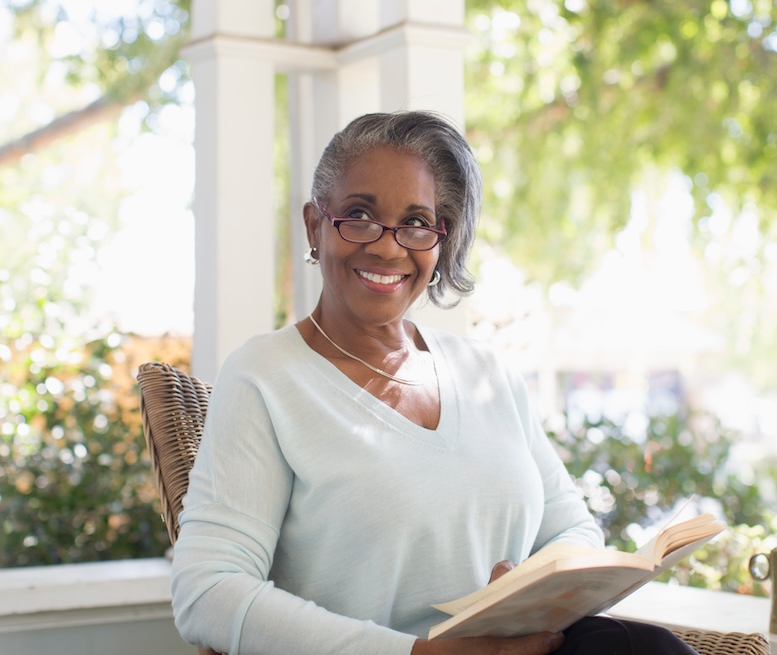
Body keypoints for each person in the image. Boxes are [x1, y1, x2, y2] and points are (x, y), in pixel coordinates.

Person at [170, 111, 697, 655]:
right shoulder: (266, 376)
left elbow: (575, 532)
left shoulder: (486, 373)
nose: (388, 247)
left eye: (417, 223)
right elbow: (207, 593)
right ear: (314, 225)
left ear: (439, 241)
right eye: (359, 216)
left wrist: (524, 591)